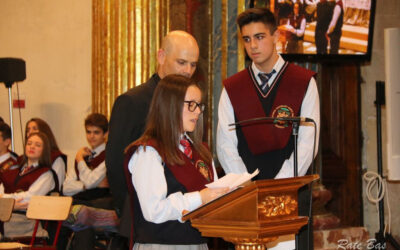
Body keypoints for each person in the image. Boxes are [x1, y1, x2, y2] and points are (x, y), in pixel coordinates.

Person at [216, 7, 320, 250]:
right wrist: (247, 188)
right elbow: (225, 144)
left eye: (260, 37)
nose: (253, 45)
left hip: (291, 193)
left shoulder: (303, 82)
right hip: (246, 196)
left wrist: (277, 189)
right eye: (247, 39)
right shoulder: (232, 87)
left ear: (276, 36)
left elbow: (308, 143)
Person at [106, 30, 200, 246]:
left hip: (185, 220)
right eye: (181, 62)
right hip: (144, 221)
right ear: (161, 57)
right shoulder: (133, 102)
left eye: (193, 65)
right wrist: (129, 208)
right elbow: (114, 163)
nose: (187, 71)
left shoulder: (191, 101)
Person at [125, 74, 228, 249]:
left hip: (198, 243)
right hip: (161, 245)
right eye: (191, 105)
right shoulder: (149, 151)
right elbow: (154, 210)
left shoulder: (201, 151)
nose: (197, 111)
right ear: (169, 105)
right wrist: (199, 198)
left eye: (199, 105)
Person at [62, 113, 114, 249]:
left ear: (105, 133)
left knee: (80, 213)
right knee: (64, 208)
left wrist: (79, 160)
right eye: (88, 132)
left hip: (101, 202)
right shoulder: (84, 155)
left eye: (96, 132)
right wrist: (84, 186)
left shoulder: (109, 154)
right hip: (82, 200)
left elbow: (91, 181)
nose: (91, 136)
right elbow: (66, 188)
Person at [0, 132, 57, 238]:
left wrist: (7, 203)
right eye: (29, 143)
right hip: (5, 216)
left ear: (44, 150)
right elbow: (1, 190)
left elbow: (29, 198)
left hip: (25, 221)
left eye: (37, 145)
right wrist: (10, 204)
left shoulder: (46, 174)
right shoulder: (14, 169)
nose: (32, 147)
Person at [25, 118, 67, 191]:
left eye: (34, 129)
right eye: (28, 130)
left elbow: (57, 186)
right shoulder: (24, 158)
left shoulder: (56, 158)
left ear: (44, 132)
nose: (30, 132)